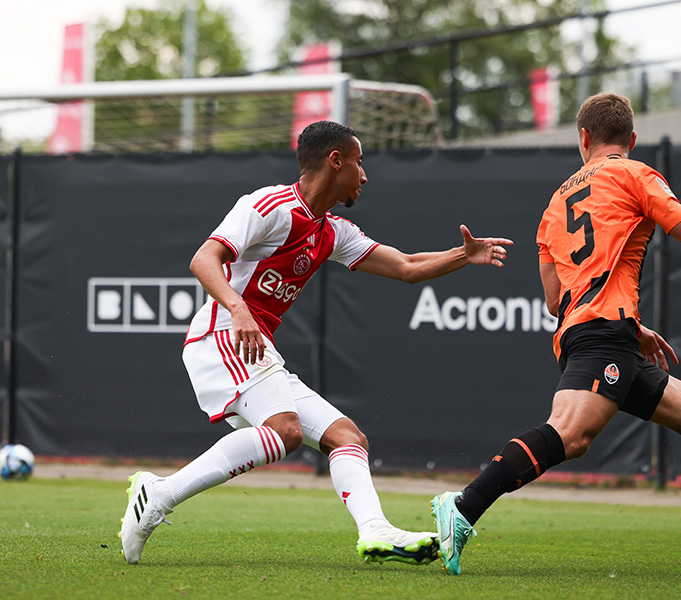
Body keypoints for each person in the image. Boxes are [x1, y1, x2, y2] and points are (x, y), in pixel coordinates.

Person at [430, 93, 681, 576]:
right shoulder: (636, 174)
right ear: (631, 138)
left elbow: (555, 301)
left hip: (598, 332)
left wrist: (632, 324)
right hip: (603, 334)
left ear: (583, 137)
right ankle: (463, 506)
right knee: (571, 434)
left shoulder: (555, 204)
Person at [118, 120, 513, 566]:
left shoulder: (334, 231)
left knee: (348, 437)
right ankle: (159, 495)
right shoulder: (268, 206)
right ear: (335, 160)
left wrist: (463, 255)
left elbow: (405, 266)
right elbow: (203, 258)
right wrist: (239, 308)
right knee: (285, 431)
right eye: (359, 162)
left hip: (256, 345)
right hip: (222, 333)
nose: (365, 175)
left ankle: (376, 529)